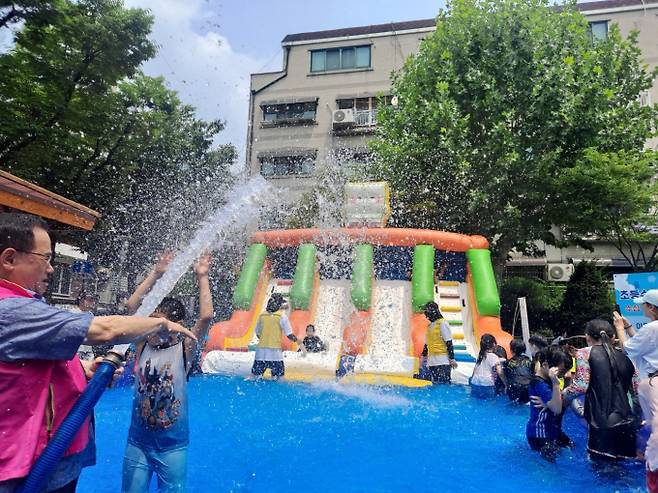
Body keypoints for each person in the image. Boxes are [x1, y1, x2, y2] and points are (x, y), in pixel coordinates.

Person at [0, 213, 195, 493]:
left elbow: (27, 366)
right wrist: (161, 322)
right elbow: (105, 329)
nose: (52, 269)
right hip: (31, 465)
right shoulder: (11, 308)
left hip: (45, 457)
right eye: (46, 258)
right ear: (9, 259)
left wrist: (81, 369)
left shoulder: (22, 305)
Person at [122, 252, 214, 493]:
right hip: (138, 442)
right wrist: (156, 274)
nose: (152, 327)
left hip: (172, 446)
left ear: (176, 326)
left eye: (159, 322)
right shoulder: (142, 344)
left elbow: (206, 317)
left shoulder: (184, 349)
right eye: (151, 321)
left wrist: (202, 276)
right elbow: (131, 307)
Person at [615, 290, 658, 491]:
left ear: (651, 307)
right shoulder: (652, 329)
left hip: (653, 384)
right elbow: (643, 346)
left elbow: (627, 349)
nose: (641, 307)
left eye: (644, 304)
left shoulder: (652, 328)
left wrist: (619, 328)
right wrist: (629, 327)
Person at [583, 319, 636, 461]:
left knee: (602, 474)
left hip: (601, 425)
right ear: (613, 337)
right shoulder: (627, 358)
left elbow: (579, 387)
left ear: (588, 337)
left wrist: (560, 400)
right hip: (628, 423)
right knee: (625, 473)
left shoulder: (585, 354)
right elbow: (635, 392)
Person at [526, 346, 568, 462]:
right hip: (540, 433)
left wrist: (547, 405)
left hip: (551, 430)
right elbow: (557, 409)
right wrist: (555, 383)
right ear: (545, 365)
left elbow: (557, 403)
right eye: (560, 372)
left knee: (571, 447)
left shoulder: (546, 379)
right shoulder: (539, 383)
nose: (563, 376)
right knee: (549, 466)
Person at [251, 293, 304, 380]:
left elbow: (257, 333)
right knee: (279, 378)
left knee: (255, 378)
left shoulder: (262, 316)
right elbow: (289, 335)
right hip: (275, 354)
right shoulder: (282, 317)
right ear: (279, 305)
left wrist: (266, 339)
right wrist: (299, 341)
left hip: (260, 353)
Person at [422, 301, 457, 384]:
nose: (426, 314)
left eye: (427, 312)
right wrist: (423, 358)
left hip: (442, 362)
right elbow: (426, 344)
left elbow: (449, 342)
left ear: (433, 312)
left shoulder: (443, 323)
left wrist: (452, 359)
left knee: (443, 387)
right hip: (431, 362)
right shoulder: (430, 326)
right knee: (435, 387)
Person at [470, 334, 505, 399]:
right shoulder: (494, 357)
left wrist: (471, 379)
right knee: (489, 402)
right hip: (487, 383)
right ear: (494, 344)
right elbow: (500, 372)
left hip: (475, 382)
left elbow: (475, 370)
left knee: (476, 401)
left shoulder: (480, 355)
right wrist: (506, 383)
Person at [503, 339, 533, 403]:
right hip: (528, 387)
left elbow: (506, 377)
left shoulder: (508, 363)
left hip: (514, 387)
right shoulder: (529, 361)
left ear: (511, 350)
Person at [73, 291, 99, 361]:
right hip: (76, 348)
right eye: (89, 300)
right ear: (81, 300)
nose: (91, 302)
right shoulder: (73, 313)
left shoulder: (90, 314)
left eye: (92, 300)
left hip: (88, 348)